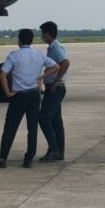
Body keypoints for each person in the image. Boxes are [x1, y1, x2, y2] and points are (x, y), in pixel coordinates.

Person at [0, 29, 57, 169]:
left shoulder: (14, 55)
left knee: (10, 128)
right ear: (31, 41)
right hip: (34, 95)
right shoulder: (38, 54)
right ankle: (29, 159)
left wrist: (7, 92)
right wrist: (41, 77)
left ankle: (2, 158)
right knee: (32, 129)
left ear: (19, 41)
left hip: (18, 96)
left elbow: (2, 75)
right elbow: (56, 66)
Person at [38, 21, 71, 162]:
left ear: (47, 33)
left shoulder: (56, 47)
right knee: (56, 121)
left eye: (42, 33)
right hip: (54, 87)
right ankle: (59, 151)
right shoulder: (52, 48)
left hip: (55, 87)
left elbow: (65, 62)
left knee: (44, 119)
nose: (41, 36)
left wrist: (57, 79)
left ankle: (54, 149)